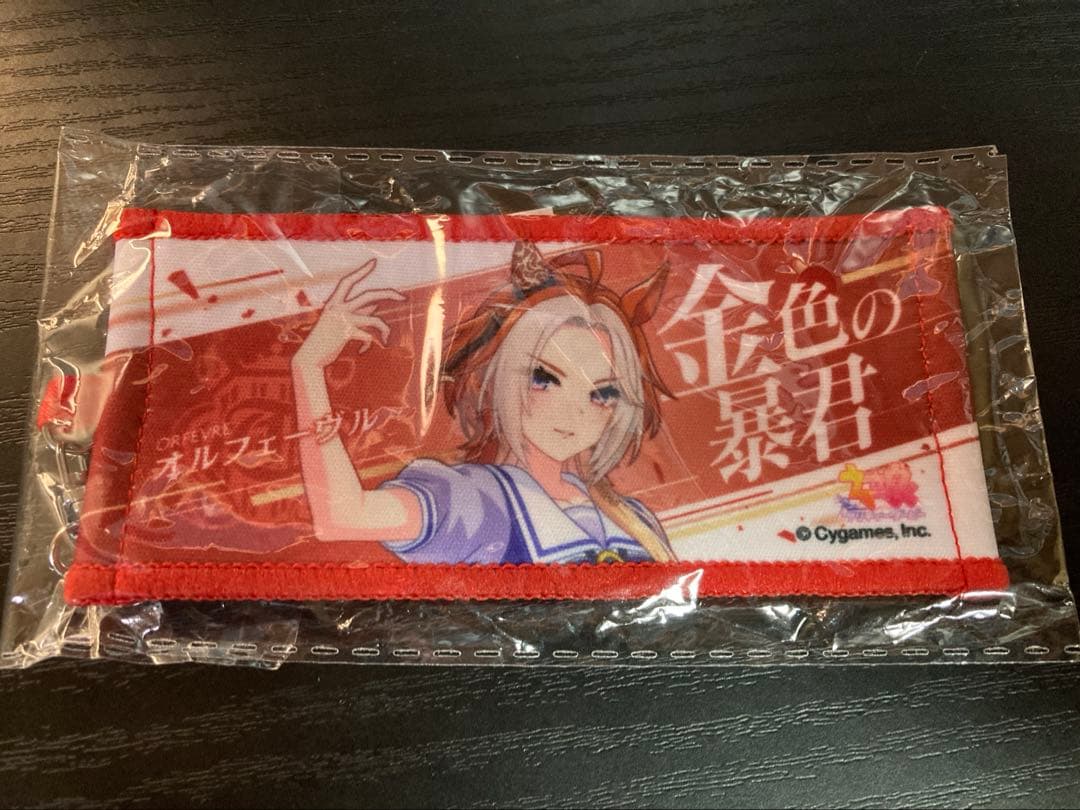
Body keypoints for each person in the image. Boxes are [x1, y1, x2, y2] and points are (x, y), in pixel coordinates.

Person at [291, 240, 677, 564]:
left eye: (602, 394)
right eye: (544, 379)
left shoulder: (632, 517)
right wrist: (308, 366)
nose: (575, 411)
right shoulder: (478, 501)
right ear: (497, 378)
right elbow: (344, 515)